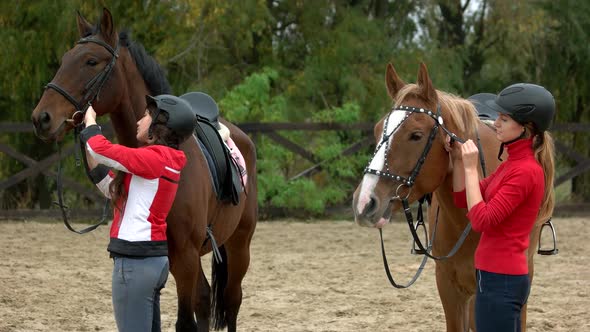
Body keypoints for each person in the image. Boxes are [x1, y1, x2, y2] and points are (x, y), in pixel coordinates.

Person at [80, 94, 197, 332]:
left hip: (135, 264)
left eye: (145, 115)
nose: (138, 120)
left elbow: (101, 148)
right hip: (152, 261)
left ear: (160, 124)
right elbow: (112, 190)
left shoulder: (155, 158)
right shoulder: (165, 162)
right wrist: (85, 137)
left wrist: (91, 119)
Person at [447, 83, 556, 332]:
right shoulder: (509, 165)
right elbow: (463, 199)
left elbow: (481, 220)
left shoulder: (526, 172)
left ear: (526, 128)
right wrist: (458, 160)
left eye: (504, 119)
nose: (495, 122)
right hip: (492, 275)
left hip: (503, 279)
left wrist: (471, 167)